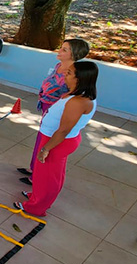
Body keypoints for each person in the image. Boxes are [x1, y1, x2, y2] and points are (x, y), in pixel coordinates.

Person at [17, 61, 98, 217]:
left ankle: (36, 207)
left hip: (57, 141)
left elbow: (64, 130)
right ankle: (36, 196)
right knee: (42, 173)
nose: (65, 75)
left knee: (49, 176)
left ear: (79, 79)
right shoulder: (74, 94)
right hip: (52, 137)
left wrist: (46, 148)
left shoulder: (79, 102)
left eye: (69, 73)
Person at [17, 38, 90, 186]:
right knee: (40, 138)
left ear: (74, 54)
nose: (60, 51)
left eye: (65, 50)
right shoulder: (58, 66)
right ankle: (34, 168)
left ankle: (37, 176)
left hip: (55, 109)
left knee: (47, 141)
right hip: (46, 106)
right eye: (61, 48)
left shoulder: (73, 74)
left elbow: (71, 95)